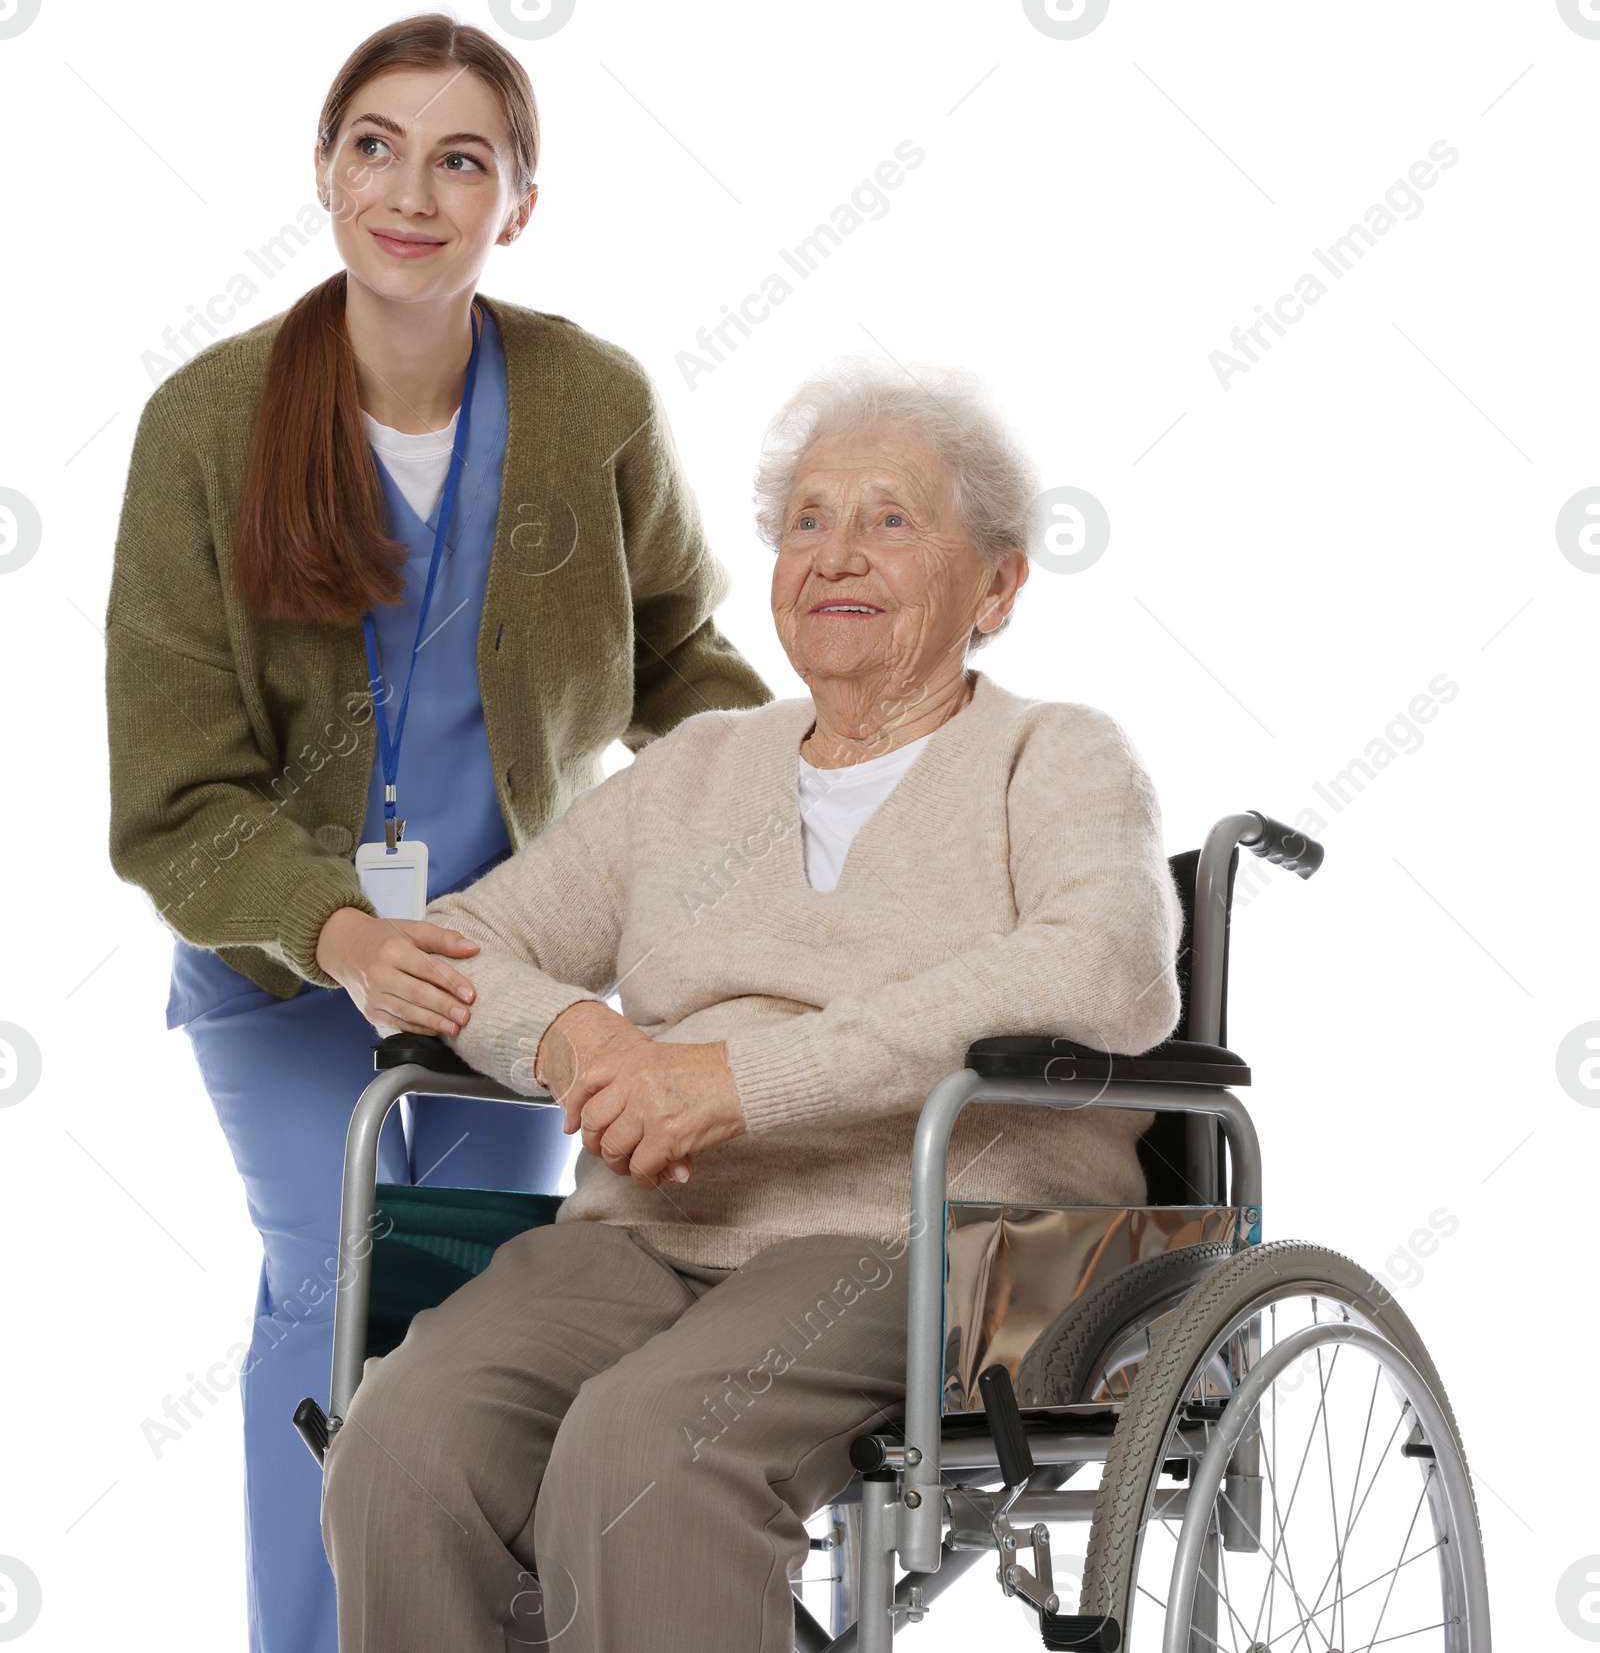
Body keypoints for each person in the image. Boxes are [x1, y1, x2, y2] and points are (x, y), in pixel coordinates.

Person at [320, 360, 1184, 1652]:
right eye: (809, 521)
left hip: (940, 1238)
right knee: (402, 1444)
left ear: (997, 584)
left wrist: (736, 1079)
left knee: (649, 1454)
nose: (837, 554)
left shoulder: (1053, 757)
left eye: (892, 519)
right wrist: (579, 1033)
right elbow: (463, 944)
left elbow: (1106, 964)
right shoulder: (695, 771)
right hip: (655, 1227)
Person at [104, 14, 769, 1653]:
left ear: (517, 203)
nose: (414, 190)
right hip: (282, 967)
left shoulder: (588, 401)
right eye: (378, 147)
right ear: (326, 173)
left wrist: (819, 790)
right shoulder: (207, 421)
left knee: (479, 1313)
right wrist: (338, 934)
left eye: (463, 157)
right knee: (332, 1288)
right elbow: (173, 790)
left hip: (509, 976)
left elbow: (681, 661)